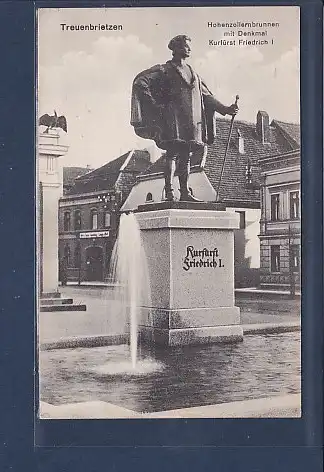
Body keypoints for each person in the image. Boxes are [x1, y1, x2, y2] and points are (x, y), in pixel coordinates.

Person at [131, 34, 238, 202]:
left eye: (189, 46)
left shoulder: (193, 73)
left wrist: (225, 109)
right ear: (176, 49)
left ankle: (184, 193)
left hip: (190, 123)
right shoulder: (164, 70)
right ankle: (169, 193)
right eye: (186, 46)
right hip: (172, 120)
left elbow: (207, 97)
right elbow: (140, 82)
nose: (189, 49)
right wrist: (154, 104)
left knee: (185, 156)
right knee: (172, 154)